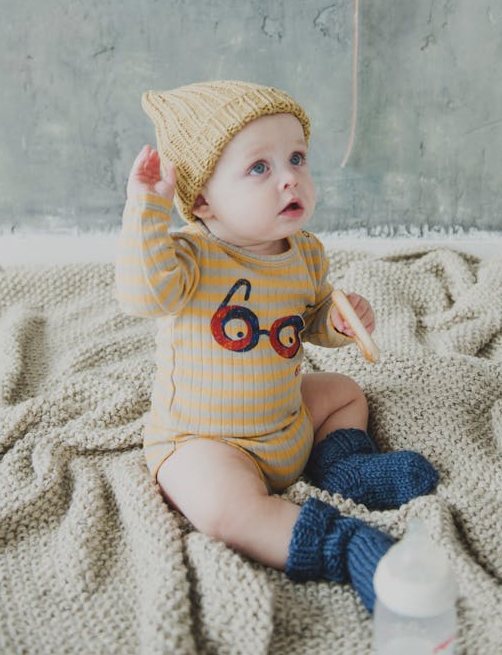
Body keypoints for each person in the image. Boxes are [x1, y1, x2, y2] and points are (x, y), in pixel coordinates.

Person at [116, 80, 438, 611]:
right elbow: (143, 294)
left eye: (297, 158)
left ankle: (342, 465)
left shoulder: (305, 254)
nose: (290, 177)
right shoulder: (190, 257)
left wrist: (337, 322)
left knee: (345, 391)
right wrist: (147, 214)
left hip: (287, 420)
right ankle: (343, 544)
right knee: (224, 511)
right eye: (259, 168)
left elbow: (306, 323)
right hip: (205, 439)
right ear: (202, 200)